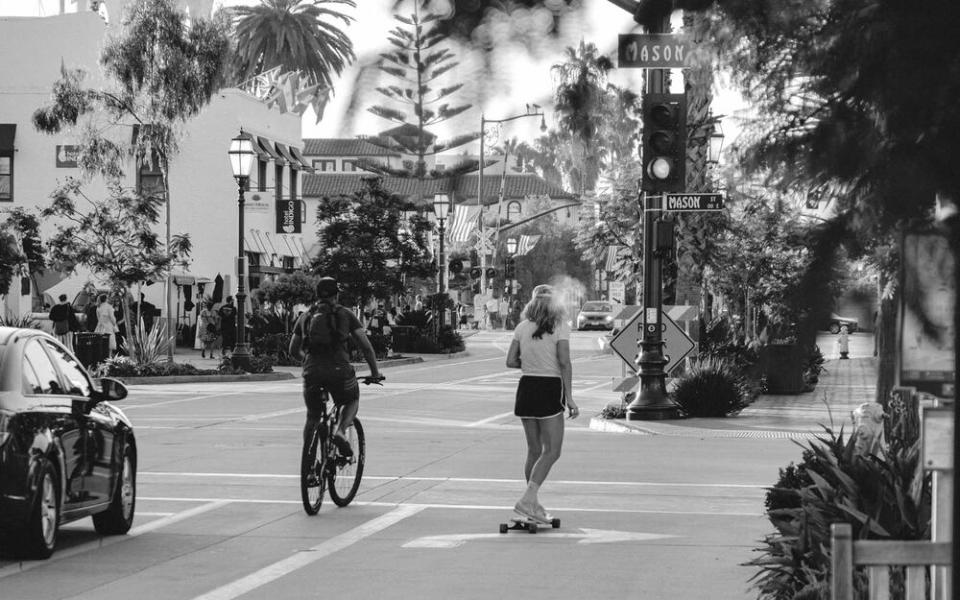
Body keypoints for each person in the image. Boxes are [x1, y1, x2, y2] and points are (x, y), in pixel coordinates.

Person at [505, 284, 579, 523]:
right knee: (552, 451)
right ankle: (528, 500)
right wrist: (569, 398)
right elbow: (565, 362)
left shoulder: (521, 327)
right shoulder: (560, 327)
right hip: (549, 387)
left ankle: (532, 504)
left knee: (534, 450)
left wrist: (531, 363)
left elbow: (510, 361)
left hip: (526, 387)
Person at [289, 277, 382, 458]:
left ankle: (308, 467)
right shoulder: (345, 314)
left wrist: (308, 362)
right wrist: (375, 373)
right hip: (339, 370)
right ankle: (340, 431)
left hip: (312, 372)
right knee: (352, 399)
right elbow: (365, 346)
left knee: (313, 417)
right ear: (336, 295)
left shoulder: (305, 317)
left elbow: (293, 349)